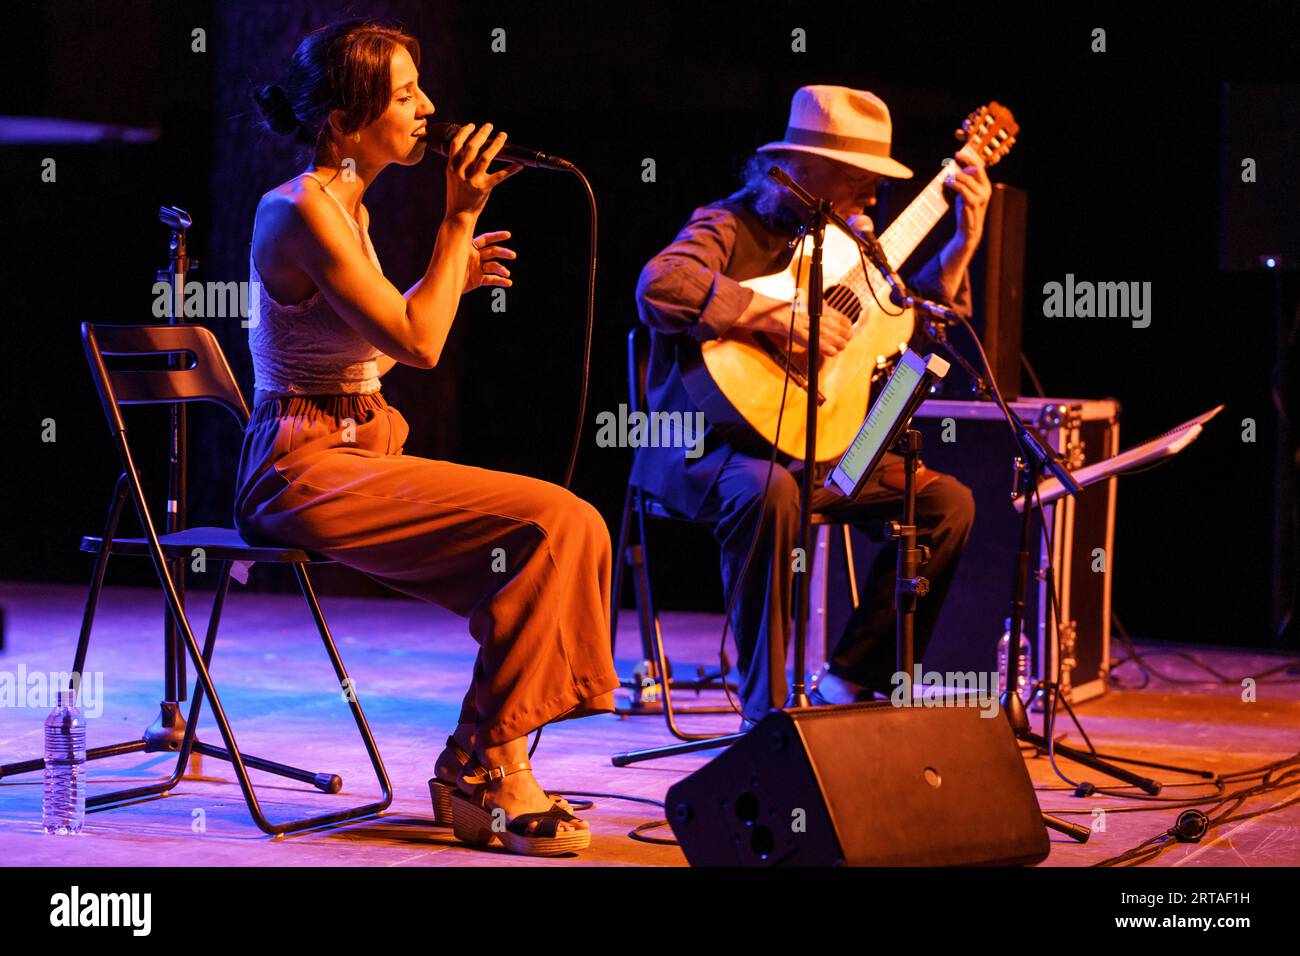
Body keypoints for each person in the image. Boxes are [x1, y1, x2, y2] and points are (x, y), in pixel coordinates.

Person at [237, 19, 617, 856]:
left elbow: (379, 343)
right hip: (300, 468)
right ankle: (492, 773)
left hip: (357, 443)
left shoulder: (343, 205)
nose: (429, 108)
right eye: (405, 94)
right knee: (559, 522)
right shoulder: (297, 208)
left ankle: (481, 765)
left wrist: (446, 275)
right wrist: (457, 224)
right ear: (341, 120)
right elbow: (420, 343)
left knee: (552, 538)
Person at [634, 86, 988, 728]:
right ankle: (765, 716)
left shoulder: (852, 249)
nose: (873, 197)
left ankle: (849, 683)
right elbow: (660, 286)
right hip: (707, 448)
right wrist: (780, 317)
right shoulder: (725, 223)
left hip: (816, 449)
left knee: (946, 502)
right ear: (801, 172)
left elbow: (916, 320)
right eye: (858, 180)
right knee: (770, 491)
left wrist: (963, 241)